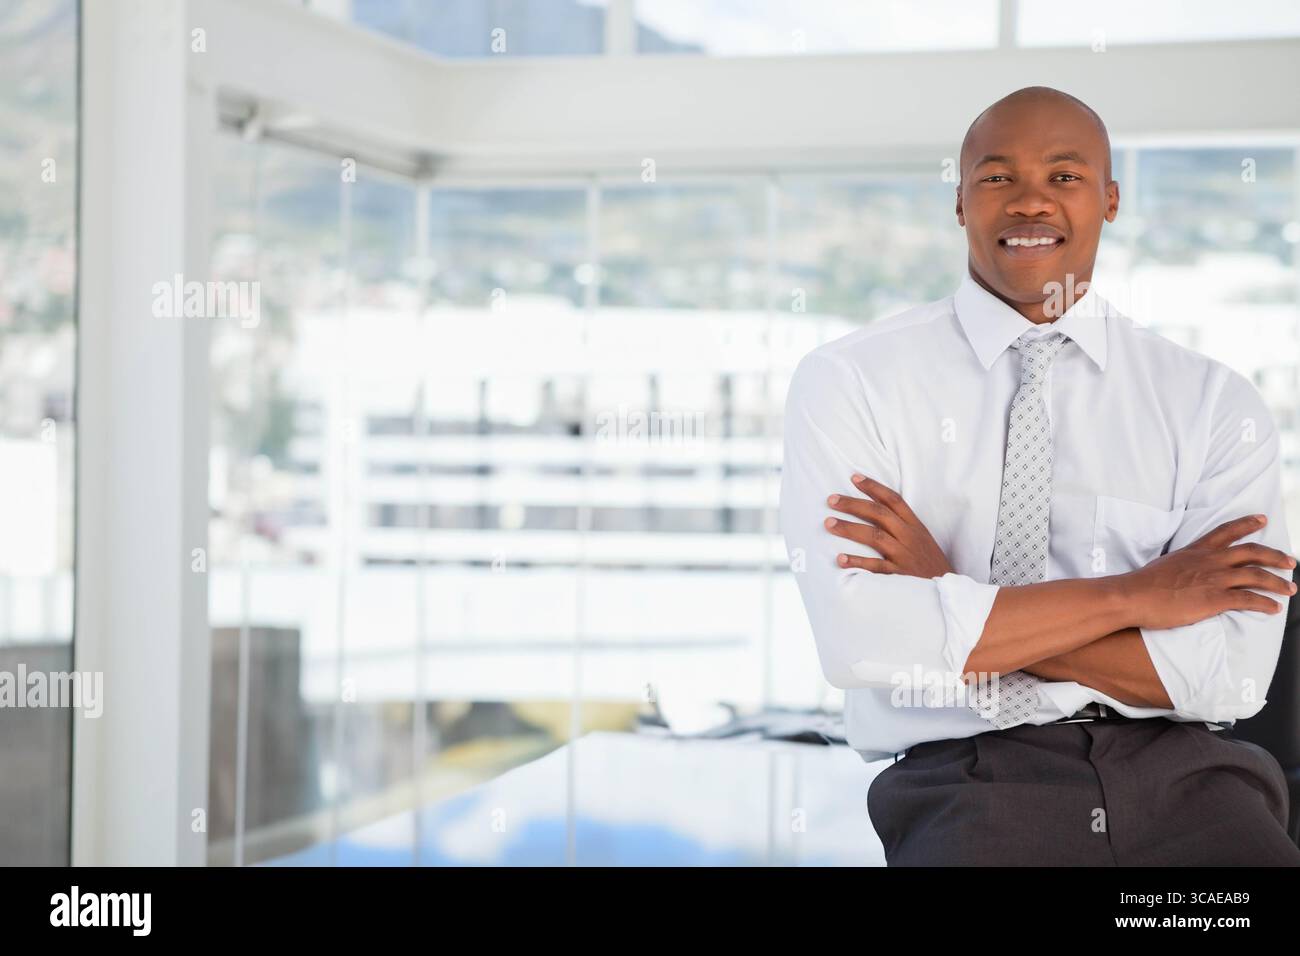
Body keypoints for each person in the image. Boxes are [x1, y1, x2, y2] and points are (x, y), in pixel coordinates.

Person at [778, 86, 1300, 865]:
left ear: (1110, 199)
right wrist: (1136, 598)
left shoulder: (1213, 403)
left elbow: (1228, 679)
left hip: (1194, 783)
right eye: (997, 179)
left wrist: (953, 595)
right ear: (960, 202)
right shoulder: (850, 381)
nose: (1030, 203)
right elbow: (862, 643)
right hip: (968, 783)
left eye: (1064, 176)